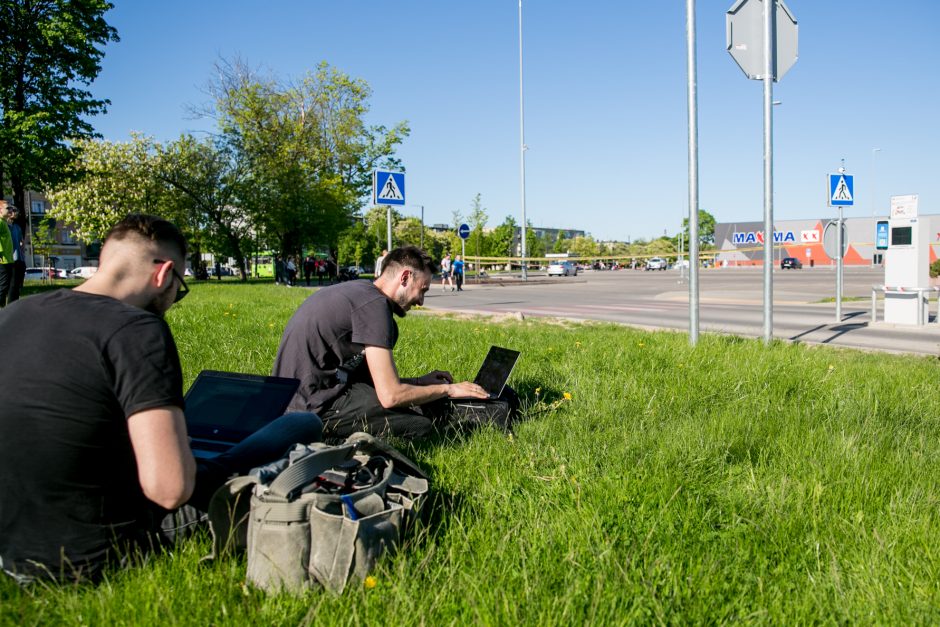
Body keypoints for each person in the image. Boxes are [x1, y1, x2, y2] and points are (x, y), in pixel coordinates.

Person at [0, 214, 322, 584]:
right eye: (179, 287)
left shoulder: (13, 314)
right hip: (96, 552)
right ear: (163, 274)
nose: (174, 299)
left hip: (10, 547)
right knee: (302, 426)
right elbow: (170, 491)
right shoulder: (138, 330)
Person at [273, 246, 497, 440]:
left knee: (421, 404)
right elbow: (391, 396)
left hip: (289, 400)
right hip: (311, 409)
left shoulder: (360, 292)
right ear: (405, 277)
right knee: (419, 425)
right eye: (423, 290)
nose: (421, 301)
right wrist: (448, 389)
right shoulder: (375, 307)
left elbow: (372, 383)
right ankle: (332, 440)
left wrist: (420, 382)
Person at [5, 205, 25, 304]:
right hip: (10, 259)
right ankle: (9, 306)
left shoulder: (17, 227)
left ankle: (14, 304)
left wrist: (22, 251)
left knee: (17, 285)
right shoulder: (4, 226)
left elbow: (21, 241)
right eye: (14, 211)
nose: (16, 213)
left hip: (19, 259)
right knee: (11, 285)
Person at [0, 202, 15, 307]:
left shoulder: (4, 222)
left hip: (8, 260)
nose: (10, 210)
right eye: (8, 208)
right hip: (2, 260)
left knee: (5, 287)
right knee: (2, 286)